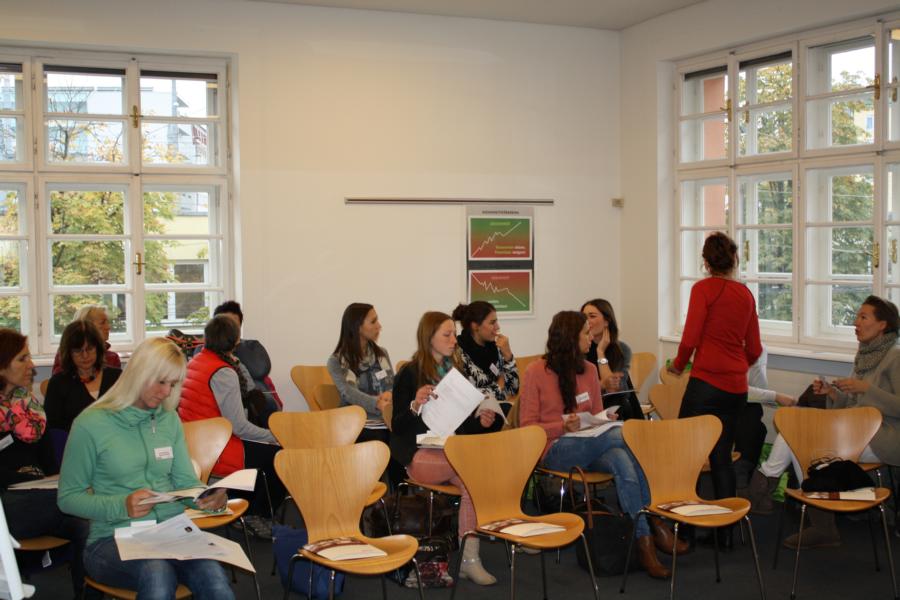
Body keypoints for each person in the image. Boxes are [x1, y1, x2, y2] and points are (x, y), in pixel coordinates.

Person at [57, 337, 233, 600]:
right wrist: (122, 506)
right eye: (161, 382)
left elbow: (185, 481)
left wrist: (207, 497)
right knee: (157, 574)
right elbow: (68, 498)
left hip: (171, 531)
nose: (166, 392)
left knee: (215, 579)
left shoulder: (168, 419)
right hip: (112, 537)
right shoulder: (90, 424)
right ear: (139, 374)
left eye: (173, 384)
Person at [518, 311, 680, 579]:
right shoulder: (536, 371)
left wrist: (605, 418)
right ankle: (655, 519)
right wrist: (562, 426)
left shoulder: (590, 370)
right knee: (624, 436)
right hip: (554, 448)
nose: (591, 338)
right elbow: (527, 427)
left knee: (621, 458)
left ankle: (644, 541)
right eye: (585, 333)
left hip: (593, 443)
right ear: (570, 338)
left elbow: (595, 415)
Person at [748, 296, 900, 549]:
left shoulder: (895, 357)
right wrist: (832, 394)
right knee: (797, 433)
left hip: (883, 435)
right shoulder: (864, 355)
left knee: (804, 442)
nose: (856, 322)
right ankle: (818, 522)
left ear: (883, 324)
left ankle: (768, 487)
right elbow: (853, 406)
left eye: (863, 317)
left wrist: (866, 389)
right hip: (856, 429)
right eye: (857, 316)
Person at [390, 311, 502, 586]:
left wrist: (480, 421)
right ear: (429, 338)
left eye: (454, 334)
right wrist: (415, 405)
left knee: (472, 481)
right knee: (473, 472)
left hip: (450, 453)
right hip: (419, 456)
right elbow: (397, 425)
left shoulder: (455, 373)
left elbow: (460, 427)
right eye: (447, 334)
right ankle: (474, 555)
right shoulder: (409, 373)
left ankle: (469, 559)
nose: (454, 340)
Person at [669, 232, 762, 503]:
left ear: (706, 262)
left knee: (687, 454)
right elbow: (755, 349)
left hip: (706, 386)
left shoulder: (703, 289)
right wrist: (736, 366)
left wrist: (678, 365)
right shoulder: (746, 294)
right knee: (721, 457)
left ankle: (686, 521)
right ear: (735, 259)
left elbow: (690, 339)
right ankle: (727, 524)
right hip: (736, 390)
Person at [0, 328, 91, 599]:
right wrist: (34, 481)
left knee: (86, 524)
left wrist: (52, 480)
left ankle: (87, 594)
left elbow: (49, 463)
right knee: (81, 498)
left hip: (42, 498)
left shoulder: (30, 408)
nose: (31, 365)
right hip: (5, 506)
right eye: (22, 359)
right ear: (1, 367)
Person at [178, 315, 284, 538]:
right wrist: (275, 435)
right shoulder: (224, 373)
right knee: (279, 456)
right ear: (236, 341)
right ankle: (255, 514)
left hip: (193, 444)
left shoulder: (196, 361)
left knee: (264, 451)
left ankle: (241, 505)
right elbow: (238, 427)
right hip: (216, 448)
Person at [326, 303, 403, 486]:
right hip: (355, 422)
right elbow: (348, 393)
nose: (379, 326)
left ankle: (399, 496)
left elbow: (392, 385)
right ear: (357, 326)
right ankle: (372, 495)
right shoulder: (336, 361)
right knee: (379, 439)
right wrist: (377, 403)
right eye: (373, 321)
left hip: (384, 418)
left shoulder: (381, 354)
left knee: (403, 438)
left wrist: (389, 395)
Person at [45, 320, 122, 432]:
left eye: (90, 349)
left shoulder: (117, 377)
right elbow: (54, 429)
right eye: (78, 351)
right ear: (68, 352)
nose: (85, 355)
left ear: (98, 348)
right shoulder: (58, 383)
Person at [213, 300, 282, 417]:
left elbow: (276, 409)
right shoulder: (206, 355)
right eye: (226, 327)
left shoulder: (252, 352)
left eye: (234, 327)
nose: (230, 332)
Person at [452, 301, 519, 418]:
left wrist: (508, 356)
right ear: (475, 326)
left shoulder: (495, 347)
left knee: (516, 410)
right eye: (492, 322)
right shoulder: (457, 353)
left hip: (497, 410)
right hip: (473, 416)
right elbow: (467, 397)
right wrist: (499, 387)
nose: (498, 327)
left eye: (496, 321)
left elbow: (513, 389)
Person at [581, 298, 644, 420]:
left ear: (606, 321)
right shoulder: (580, 348)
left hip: (616, 403)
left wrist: (600, 352)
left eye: (592, 316)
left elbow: (614, 388)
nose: (587, 321)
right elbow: (581, 391)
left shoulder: (622, 349)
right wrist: (602, 385)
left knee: (620, 403)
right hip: (589, 403)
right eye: (584, 317)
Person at [52, 304, 121, 375]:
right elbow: (60, 380)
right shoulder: (65, 355)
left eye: (107, 322)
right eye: (102, 323)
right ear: (86, 326)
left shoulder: (113, 358)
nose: (108, 327)